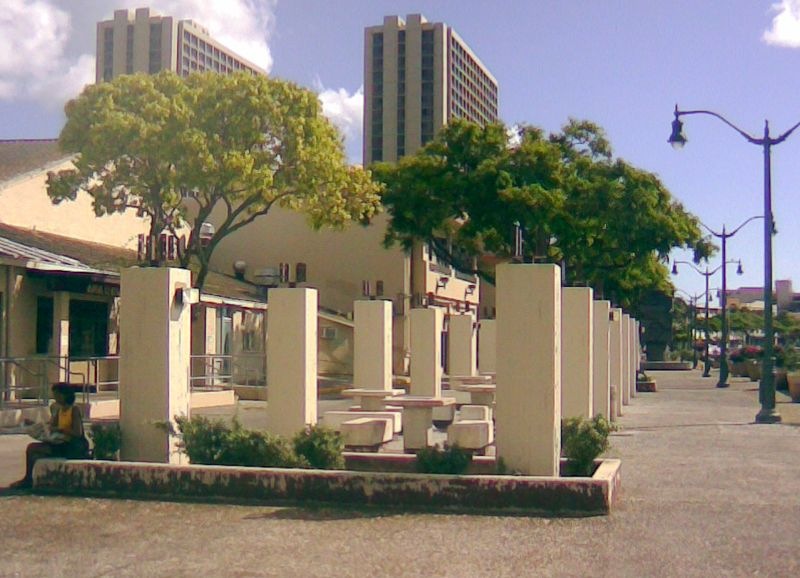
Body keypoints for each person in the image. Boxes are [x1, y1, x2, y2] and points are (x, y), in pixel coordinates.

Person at [10, 383, 90, 489]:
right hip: (59, 443)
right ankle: (29, 478)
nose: (55, 398)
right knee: (32, 448)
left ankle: (30, 480)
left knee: (37, 451)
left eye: (58, 395)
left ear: (65, 395)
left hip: (72, 446)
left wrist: (60, 430)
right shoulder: (59, 410)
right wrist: (35, 425)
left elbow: (77, 433)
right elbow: (51, 426)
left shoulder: (74, 410)